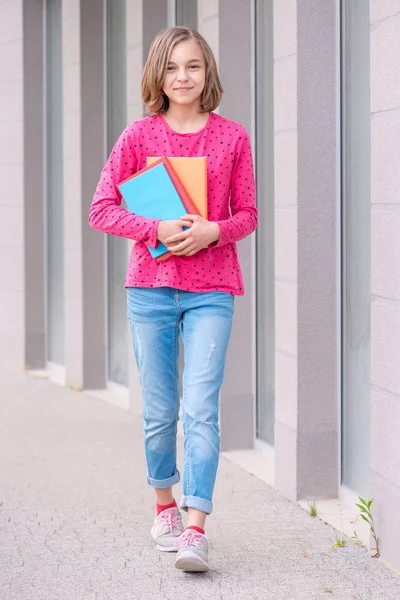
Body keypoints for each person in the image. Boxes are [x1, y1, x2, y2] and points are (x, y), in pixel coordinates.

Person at [88, 26, 257, 573]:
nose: (182, 78)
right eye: (172, 68)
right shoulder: (137, 136)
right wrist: (156, 226)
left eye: (192, 67)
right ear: (157, 76)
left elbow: (248, 215)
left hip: (211, 290)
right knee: (161, 412)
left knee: (200, 408)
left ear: (207, 73)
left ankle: (195, 527)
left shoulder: (233, 138)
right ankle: (163, 505)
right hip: (151, 290)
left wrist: (214, 233)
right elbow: (101, 209)